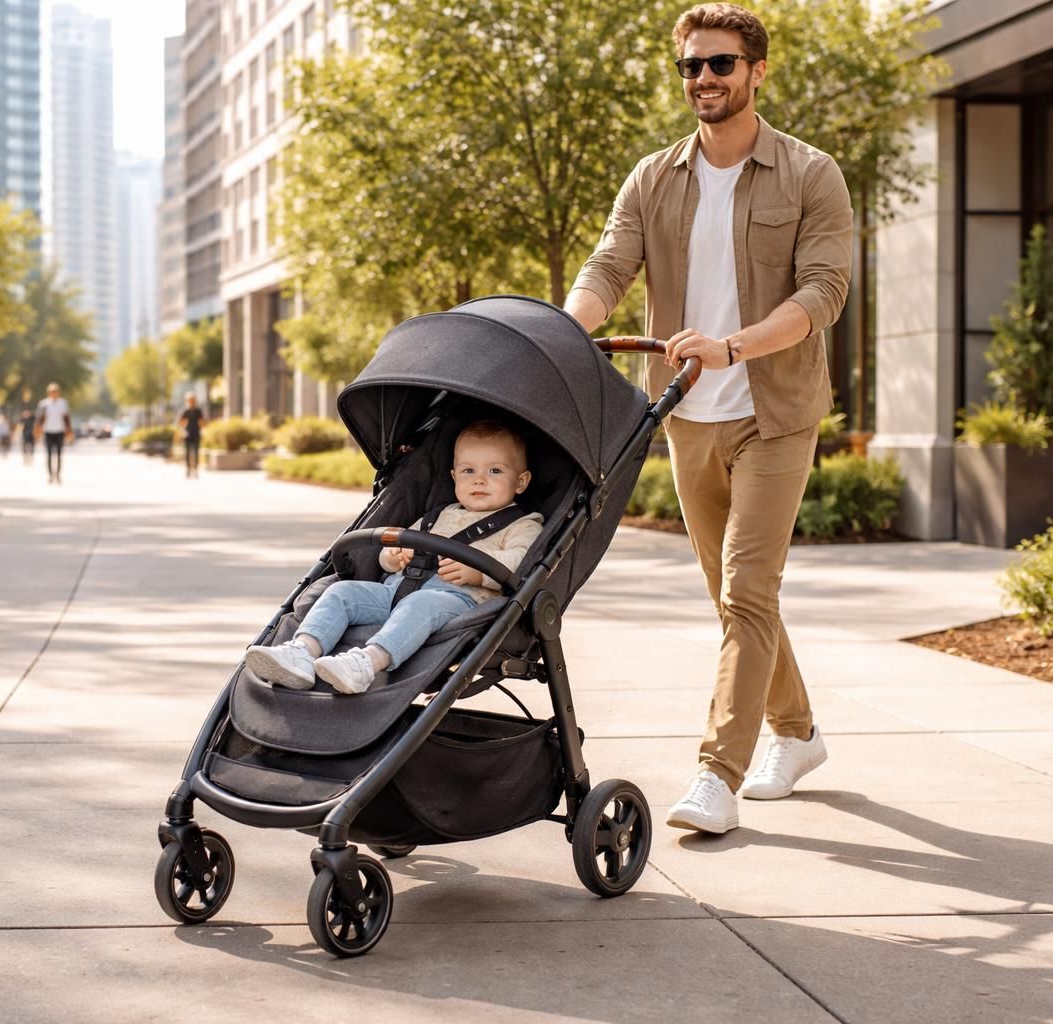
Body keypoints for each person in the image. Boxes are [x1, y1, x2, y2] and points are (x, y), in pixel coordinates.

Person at [563, 2, 852, 834]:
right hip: (689, 414)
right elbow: (609, 263)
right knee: (734, 601)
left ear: (757, 72)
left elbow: (821, 295)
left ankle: (715, 776)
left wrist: (733, 345)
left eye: (720, 65)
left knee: (747, 590)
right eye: (690, 66)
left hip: (776, 410)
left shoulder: (809, 174)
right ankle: (796, 733)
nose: (703, 80)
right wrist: (561, 327)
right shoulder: (656, 176)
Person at [244, 420, 544, 695]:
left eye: (495, 471)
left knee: (422, 603)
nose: (479, 480)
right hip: (393, 593)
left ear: (521, 481)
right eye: (469, 471)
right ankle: (302, 651)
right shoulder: (438, 515)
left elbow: (522, 560)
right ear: (454, 476)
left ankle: (366, 663)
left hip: (458, 602)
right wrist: (393, 557)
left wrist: (478, 571)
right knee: (341, 591)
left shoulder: (522, 523)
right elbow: (394, 547)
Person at [35, 383, 72, 483]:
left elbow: (66, 418)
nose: (54, 393)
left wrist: (69, 431)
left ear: (58, 392)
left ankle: (58, 475)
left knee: (59, 455)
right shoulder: (44, 404)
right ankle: (50, 475)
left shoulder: (63, 403)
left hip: (59, 431)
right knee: (49, 454)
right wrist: (37, 431)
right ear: (48, 393)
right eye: (52, 391)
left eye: (55, 391)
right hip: (48, 432)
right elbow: (39, 419)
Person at [178, 394, 205, 478]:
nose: (192, 401)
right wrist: (182, 430)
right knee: (187, 452)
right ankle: (188, 469)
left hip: (196, 433)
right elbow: (181, 422)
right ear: (187, 401)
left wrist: (203, 429)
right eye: (190, 400)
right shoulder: (185, 410)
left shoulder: (198, 411)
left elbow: (202, 422)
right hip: (188, 434)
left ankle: (196, 470)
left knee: (196, 452)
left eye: (193, 400)